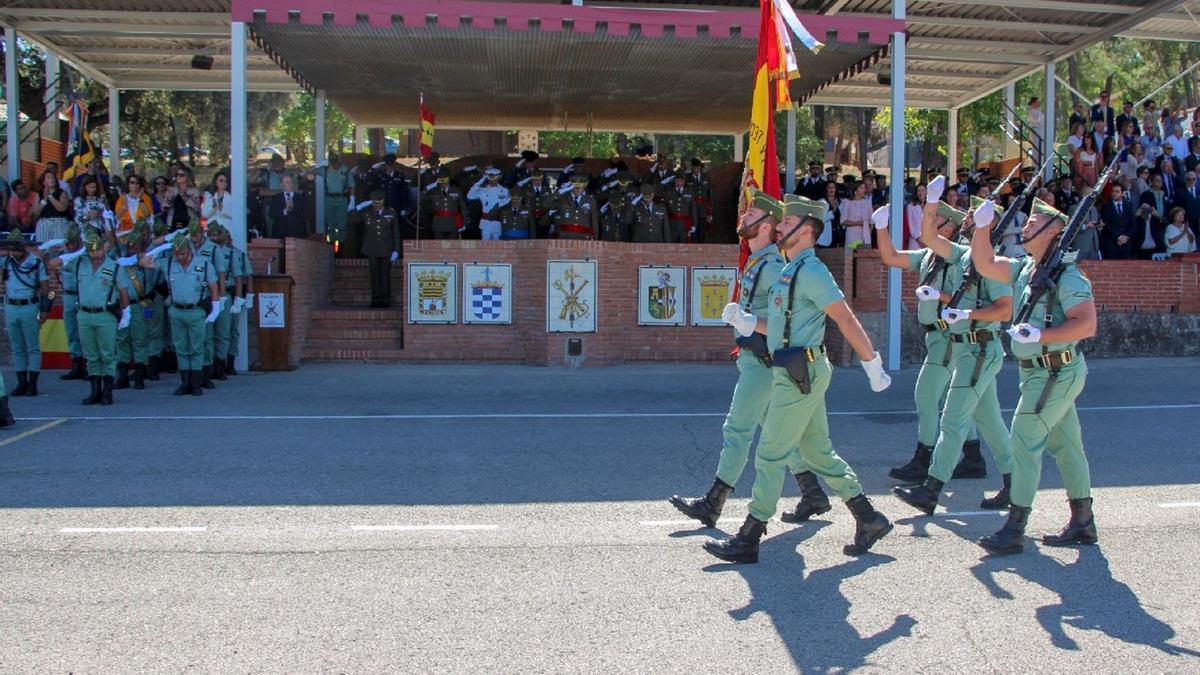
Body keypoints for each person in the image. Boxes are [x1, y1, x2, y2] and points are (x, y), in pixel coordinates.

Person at [702, 195, 892, 563]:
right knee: (818, 453)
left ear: (807, 231)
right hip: (792, 368)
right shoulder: (790, 270)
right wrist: (747, 322)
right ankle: (868, 517)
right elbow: (781, 325)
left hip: (800, 372)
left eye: (787, 224)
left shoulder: (812, 271)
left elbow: (845, 318)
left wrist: (871, 363)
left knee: (771, 454)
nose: (779, 227)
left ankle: (750, 536)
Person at [670, 190, 831, 530]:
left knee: (738, 429)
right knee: (778, 435)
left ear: (768, 226)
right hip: (756, 359)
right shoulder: (758, 260)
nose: (743, 218)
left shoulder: (773, 267)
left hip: (765, 362)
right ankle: (813, 492)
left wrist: (748, 324)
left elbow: (787, 321)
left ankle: (713, 502)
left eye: (752, 214)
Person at [971, 197, 1099, 555]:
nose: (1024, 228)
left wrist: (1040, 336)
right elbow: (984, 263)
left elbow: (1086, 324)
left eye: (1032, 224)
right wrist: (982, 227)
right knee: (1066, 445)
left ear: (1055, 231)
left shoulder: (1068, 275)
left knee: (1023, 440)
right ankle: (1083, 522)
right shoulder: (1029, 269)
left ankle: (1015, 528)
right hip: (1040, 373)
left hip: (1056, 370)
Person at [886, 195, 1015, 513]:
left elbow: (1004, 310)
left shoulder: (991, 263)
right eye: (969, 212)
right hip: (966, 346)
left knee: (954, 419)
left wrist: (966, 313)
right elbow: (929, 238)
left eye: (976, 213)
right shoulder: (963, 255)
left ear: (990, 223)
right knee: (990, 422)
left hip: (981, 348)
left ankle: (931, 490)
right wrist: (930, 202)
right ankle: (1017, 483)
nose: (968, 215)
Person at [2, 229, 50, 396]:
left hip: (29, 306)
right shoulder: (7, 262)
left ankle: (32, 384)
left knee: (32, 346)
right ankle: (21, 382)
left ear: (24, 248)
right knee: (17, 347)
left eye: (18, 249)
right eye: (12, 250)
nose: (15, 253)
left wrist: (45, 310)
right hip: (11, 306)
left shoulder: (36, 262)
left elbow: (45, 289)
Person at [112, 226, 154, 390]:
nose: (133, 248)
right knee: (121, 339)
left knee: (139, 339)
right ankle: (122, 375)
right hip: (122, 306)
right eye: (131, 245)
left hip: (139, 304)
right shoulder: (119, 260)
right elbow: (109, 242)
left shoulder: (145, 260)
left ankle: (139, 375)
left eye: (137, 245)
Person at [354, 190, 401, 308]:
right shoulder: (366, 212)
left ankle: (385, 299)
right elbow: (353, 220)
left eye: (378, 202)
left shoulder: (391, 212)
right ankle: (375, 299)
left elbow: (396, 233)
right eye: (374, 203)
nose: (377, 205)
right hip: (372, 248)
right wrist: (359, 207)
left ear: (383, 201)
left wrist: (396, 250)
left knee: (385, 275)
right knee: (374, 275)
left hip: (386, 248)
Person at [54, 225, 86, 381]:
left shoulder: (84, 255)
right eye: (68, 243)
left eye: (73, 243)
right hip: (68, 296)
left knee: (85, 332)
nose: (70, 246)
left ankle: (88, 365)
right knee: (71, 331)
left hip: (82, 296)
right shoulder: (62, 255)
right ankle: (76, 363)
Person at [310, 152, 355, 252]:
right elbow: (306, 173)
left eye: (335, 162)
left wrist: (352, 200)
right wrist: (317, 165)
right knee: (331, 224)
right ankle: (331, 247)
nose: (334, 165)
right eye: (332, 163)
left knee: (342, 225)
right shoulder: (325, 170)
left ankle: (340, 248)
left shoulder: (345, 170)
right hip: (329, 199)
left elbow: (352, 185)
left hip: (341, 199)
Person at [467, 167, 511, 241]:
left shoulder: (505, 191)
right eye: (490, 178)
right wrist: (481, 181)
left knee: (498, 245)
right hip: (485, 222)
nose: (492, 181)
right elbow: (469, 196)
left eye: (494, 178)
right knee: (485, 244)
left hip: (498, 222)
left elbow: (507, 205)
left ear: (499, 177)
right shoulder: (482, 190)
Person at [422, 168, 467, 239]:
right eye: (440, 180)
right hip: (438, 224)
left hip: (453, 224)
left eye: (445, 180)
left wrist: (464, 222)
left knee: (452, 247)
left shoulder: (457, 190)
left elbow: (463, 208)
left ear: (449, 179)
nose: (443, 183)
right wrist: (428, 187)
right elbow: (421, 199)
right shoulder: (433, 191)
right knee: (439, 247)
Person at [31, 171, 71, 243]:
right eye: (48, 177)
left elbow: (62, 208)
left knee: (59, 246)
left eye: (53, 177)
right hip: (44, 223)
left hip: (59, 223)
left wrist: (50, 196)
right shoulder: (39, 194)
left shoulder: (62, 192)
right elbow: (36, 212)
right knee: (42, 247)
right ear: (44, 182)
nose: (51, 179)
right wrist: (44, 200)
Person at [1100, 183, 1138, 259]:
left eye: (1117, 192)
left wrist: (1126, 237)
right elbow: (1106, 225)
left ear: (1123, 193)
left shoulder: (1128, 205)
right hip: (1112, 243)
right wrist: (1119, 237)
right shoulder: (1106, 206)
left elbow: (1133, 224)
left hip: (1126, 244)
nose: (1114, 193)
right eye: (1113, 191)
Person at [554, 174, 597, 240]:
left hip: (583, 238)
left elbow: (594, 223)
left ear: (584, 187)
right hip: (565, 238)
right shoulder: (563, 199)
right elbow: (545, 205)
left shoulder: (591, 201)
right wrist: (560, 191)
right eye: (574, 187)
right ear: (570, 187)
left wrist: (595, 240)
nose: (577, 190)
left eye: (580, 187)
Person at [268, 175, 308, 239]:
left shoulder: (301, 198)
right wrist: (285, 210)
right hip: (280, 233)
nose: (290, 184)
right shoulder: (275, 198)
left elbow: (305, 215)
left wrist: (292, 208)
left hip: (298, 233)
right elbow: (271, 214)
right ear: (281, 185)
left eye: (291, 182)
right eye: (287, 182)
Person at [663, 171, 699, 243]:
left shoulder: (689, 192)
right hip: (671, 224)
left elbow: (693, 210)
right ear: (674, 181)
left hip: (684, 225)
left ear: (684, 181)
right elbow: (664, 210)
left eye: (681, 181)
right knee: (671, 244)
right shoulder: (668, 192)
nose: (679, 183)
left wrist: (694, 224)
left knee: (683, 245)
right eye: (677, 181)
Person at [686, 158, 713, 240]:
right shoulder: (688, 178)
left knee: (702, 230)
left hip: (703, 208)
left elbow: (710, 194)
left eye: (698, 167)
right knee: (693, 228)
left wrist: (710, 211)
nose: (697, 169)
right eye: (695, 167)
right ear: (692, 168)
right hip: (692, 207)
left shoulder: (706, 177)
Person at [839, 180, 873, 248]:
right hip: (851, 234)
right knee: (851, 254)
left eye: (864, 188)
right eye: (861, 188)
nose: (864, 190)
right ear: (855, 189)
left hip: (864, 234)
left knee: (864, 255)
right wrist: (858, 223)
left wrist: (868, 232)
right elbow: (842, 221)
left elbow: (871, 221)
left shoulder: (867, 203)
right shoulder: (847, 202)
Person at [820, 180, 843, 247]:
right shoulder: (821, 202)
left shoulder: (840, 201)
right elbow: (821, 219)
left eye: (833, 187)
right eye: (829, 188)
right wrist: (833, 211)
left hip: (838, 234)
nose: (831, 190)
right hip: (826, 236)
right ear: (826, 189)